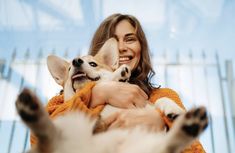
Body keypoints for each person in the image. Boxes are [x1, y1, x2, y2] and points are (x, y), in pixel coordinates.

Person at [31, 13, 206, 153]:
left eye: (130, 39)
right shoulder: (58, 104)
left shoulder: (165, 96)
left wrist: (160, 122)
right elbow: (41, 142)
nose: (121, 47)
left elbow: (195, 149)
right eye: (114, 40)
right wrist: (99, 94)